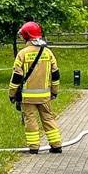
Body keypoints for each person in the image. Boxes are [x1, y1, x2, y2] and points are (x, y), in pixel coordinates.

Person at [9, 21, 62, 154]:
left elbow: (16, 77)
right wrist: (54, 92)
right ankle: (56, 145)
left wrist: (12, 93)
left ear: (26, 36)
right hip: (45, 96)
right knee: (49, 119)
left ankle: (33, 147)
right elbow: (55, 75)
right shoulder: (48, 53)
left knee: (30, 120)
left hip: (28, 97)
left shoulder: (22, 54)